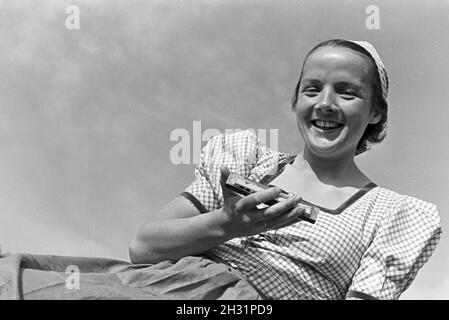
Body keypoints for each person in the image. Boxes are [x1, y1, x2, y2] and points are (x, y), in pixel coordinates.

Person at [0, 39, 442, 300]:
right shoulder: (247, 161)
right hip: (164, 289)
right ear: (296, 102)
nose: (325, 103)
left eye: (347, 92)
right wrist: (229, 223)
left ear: (376, 113)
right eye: (312, 89)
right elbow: (144, 245)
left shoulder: (395, 214)